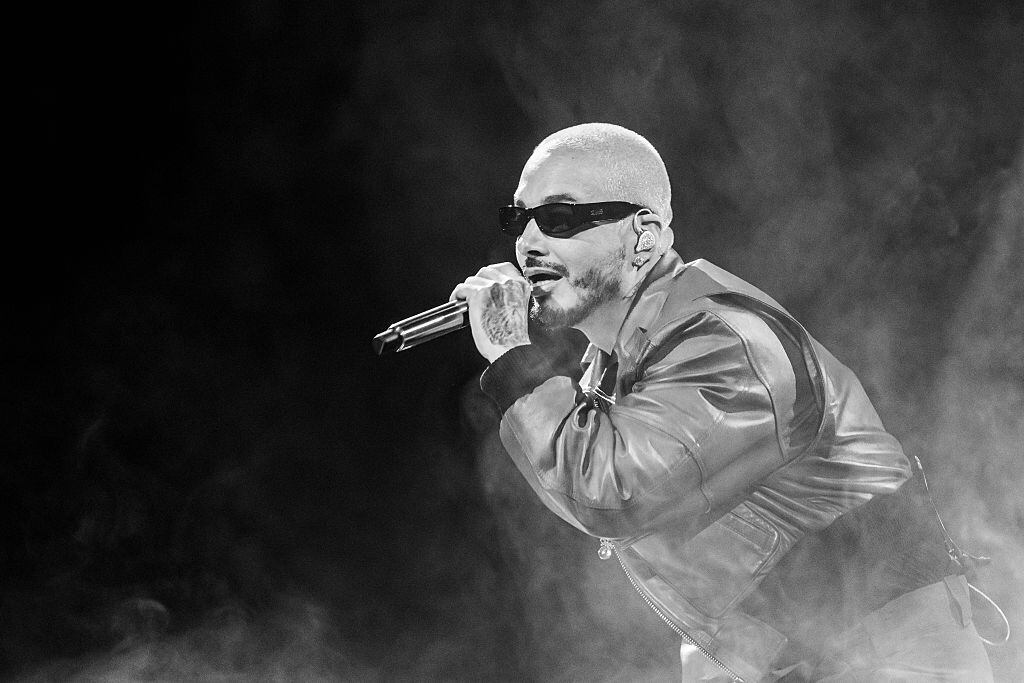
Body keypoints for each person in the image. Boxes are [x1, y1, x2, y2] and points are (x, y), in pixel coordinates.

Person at [450, 123, 994, 681]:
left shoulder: (727, 342)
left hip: (884, 657)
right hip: (794, 655)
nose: (528, 244)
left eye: (559, 218)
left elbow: (613, 494)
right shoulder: (616, 367)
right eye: (518, 220)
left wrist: (512, 357)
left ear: (644, 236)